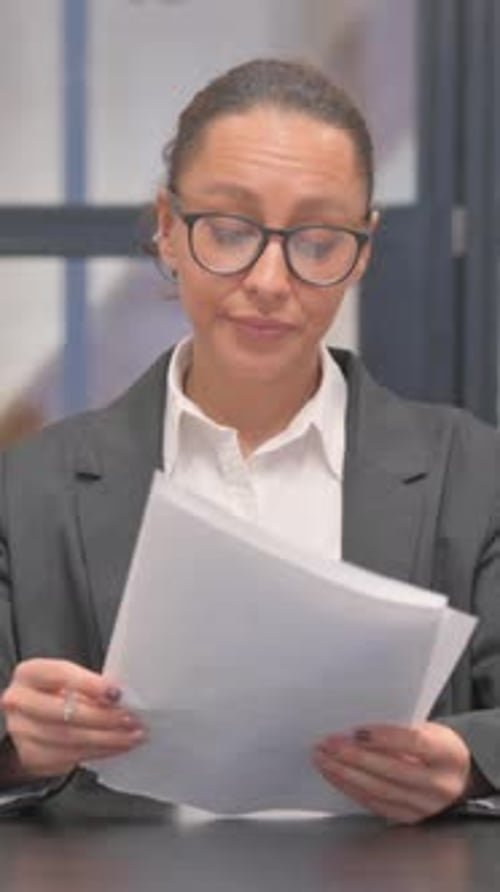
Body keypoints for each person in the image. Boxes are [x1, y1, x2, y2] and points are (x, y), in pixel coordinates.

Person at [0, 58, 499, 824]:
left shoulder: (473, 476)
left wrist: (468, 764)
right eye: (230, 231)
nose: (270, 279)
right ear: (167, 230)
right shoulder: (28, 490)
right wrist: (14, 743)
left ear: (363, 250)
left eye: (319, 240)